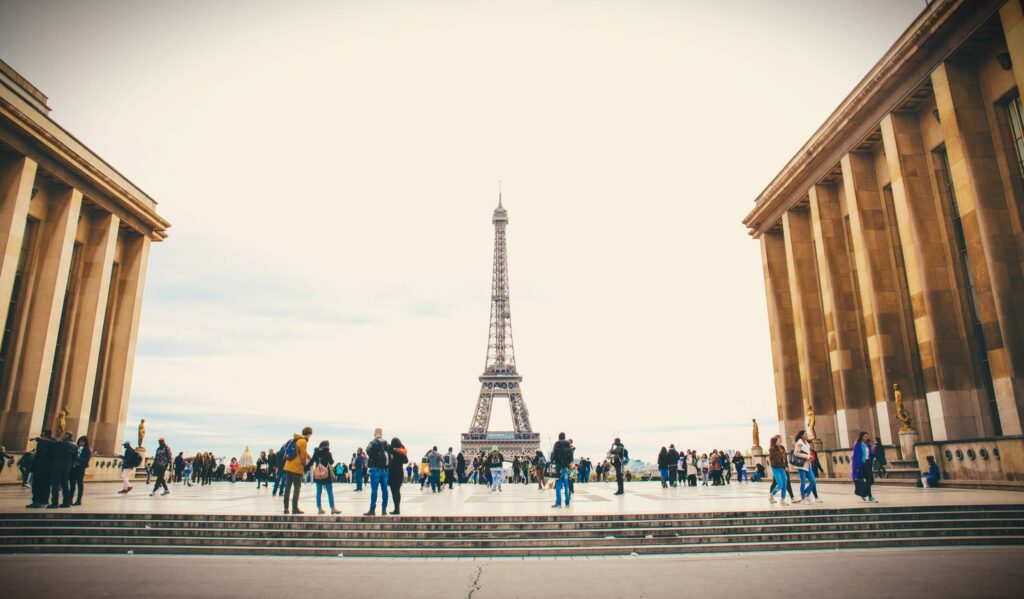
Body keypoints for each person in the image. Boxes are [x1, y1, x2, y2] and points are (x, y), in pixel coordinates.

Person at [282, 426, 313, 515]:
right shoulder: (303, 441)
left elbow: (303, 453)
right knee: (297, 488)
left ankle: (286, 508)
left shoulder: (296, 439)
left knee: (287, 488)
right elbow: (303, 455)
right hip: (296, 467)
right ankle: (294, 508)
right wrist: (305, 466)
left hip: (288, 466)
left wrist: (310, 457)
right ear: (309, 434)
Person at [309, 440, 340, 515]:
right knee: (329, 492)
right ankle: (332, 508)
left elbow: (311, 461)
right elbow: (332, 462)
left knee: (318, 492)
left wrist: (305, 468)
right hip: (326, 475)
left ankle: (319, 508)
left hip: (318, 475)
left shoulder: (316, 452)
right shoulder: (328, 453)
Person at [364, 427, 390, 516]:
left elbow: (367, 450)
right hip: (385, 470)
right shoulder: (386, 443)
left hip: (375, 469)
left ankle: (372, 509)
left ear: (375, 433)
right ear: (381, 433)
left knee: (374, 490)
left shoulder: (373, 442)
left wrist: (373, 457)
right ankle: (384, 510)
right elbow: (389, 455)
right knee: (385, 490)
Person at [793, 430, 820, 503]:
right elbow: (796, 453)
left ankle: (806, 495)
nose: (807, 435)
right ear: (802, 435)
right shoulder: (799, 443)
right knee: (803, 482)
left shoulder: (807, 443)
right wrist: (807, 456)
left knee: (813, 481)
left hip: (808, 465)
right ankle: (803, 498)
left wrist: (810, 456)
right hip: (801, 466)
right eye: (805, 434)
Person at [851, 431, 878, 503]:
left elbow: (870, 455)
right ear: (862, 437)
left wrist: (873, 451)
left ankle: (864, 494)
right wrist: (856, 467)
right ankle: (870, 496)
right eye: (865, 436)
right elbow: (856, 456)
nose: (867, 438)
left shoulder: (868, 445)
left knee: (870, 480)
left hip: (867, 464)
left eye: (867, 436)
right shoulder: (858, 445)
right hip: (861, 465)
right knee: (864, 481)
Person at [68, 436, 91, 506]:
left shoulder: (87, 450)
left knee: (80, 484)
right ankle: (69, 499)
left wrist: (78, 458)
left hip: (80, 469)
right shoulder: (76, 448)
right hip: (73, 468)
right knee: (72, 484)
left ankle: (78, 500)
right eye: (80, 441)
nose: (81, 443)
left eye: (82, 442)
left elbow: (86, 459)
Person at [551, 433, 573, 507]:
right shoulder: (568, 444)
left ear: (559, 437)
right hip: (565, 467)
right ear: (564, 437)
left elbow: (553, 455)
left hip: (558, 467)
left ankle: (558, 503)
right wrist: (567, 464)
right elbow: (571, 456)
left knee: (558, 485)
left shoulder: (556, 444)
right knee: (566, 485)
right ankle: (567, 503)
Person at [768, 434, 790, 506]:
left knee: (785, 484)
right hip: (776, 469)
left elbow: (782, 459)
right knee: (780, 484)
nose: (780, 441)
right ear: (775, 441)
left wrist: (785, 466)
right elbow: (777, 461)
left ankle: (782, 500)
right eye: (778, 440)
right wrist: (785, 467)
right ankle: (771, 495)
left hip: (781, 468)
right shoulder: (772, 449)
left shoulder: (778, 448)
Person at [388, 437, 408, 515]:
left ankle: (396, 509)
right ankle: (397, 509)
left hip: (393, 472)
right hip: (400, 473)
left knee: (394, 491)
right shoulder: (402, 451)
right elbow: (406, 461)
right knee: (397, 491)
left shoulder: (392, 450)